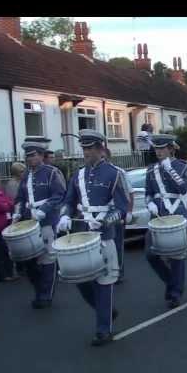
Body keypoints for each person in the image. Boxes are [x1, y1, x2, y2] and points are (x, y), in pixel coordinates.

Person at [56, 130, 128, 346]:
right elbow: (68, 201)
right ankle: (105, 311)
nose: (85, 152)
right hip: (83, 235)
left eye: (89, 148)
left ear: (100, 149)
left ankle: (103, 330)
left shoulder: (115, 173)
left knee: (104, 282)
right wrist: (64, 216)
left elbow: (122, 208)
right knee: (80, 280)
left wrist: (106, 220)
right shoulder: (77, 174)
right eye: (84, 148)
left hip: (104, 235)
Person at [12, 141, 67, 308]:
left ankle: (46, 295)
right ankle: (39, 289)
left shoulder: (51, 172)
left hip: (47, 221)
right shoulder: (27, 175)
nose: (30, 159)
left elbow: (59, 194)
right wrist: (16, 213)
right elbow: (21, 198)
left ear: (41, 155)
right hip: (29, 221)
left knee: (47, 258)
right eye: (28, 156)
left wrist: (44, 210)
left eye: (33, 155)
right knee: (28, 260)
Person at [145, 133, 187, 309]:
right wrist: (149, 203)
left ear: (171, 149)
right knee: (150, 254)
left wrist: (170, 169)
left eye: (162, 148)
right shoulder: (151, 169)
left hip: (176, 211)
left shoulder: (181, 166)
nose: (158, 151)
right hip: (158, 214)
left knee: (176, 255)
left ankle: (175, 294)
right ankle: (172, 282)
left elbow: (183, 187)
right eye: (156, 148)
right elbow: (149, 192)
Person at [103, 148, 134, 285]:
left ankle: (118, 272)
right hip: (100, 214)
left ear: (108, 158)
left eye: (104, 157)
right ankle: (105, 270)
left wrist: (129, 212)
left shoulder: (119, 172)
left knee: (116, 243)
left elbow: (130, 193)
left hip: (116, 212)